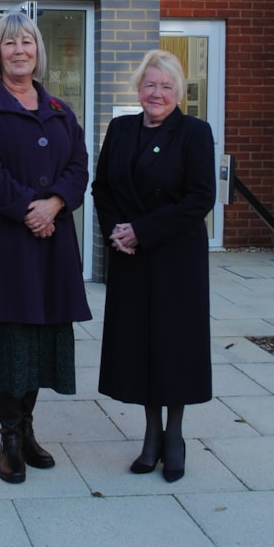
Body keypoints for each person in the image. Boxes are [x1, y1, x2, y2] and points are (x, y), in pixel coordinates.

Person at [0, 11, 91, 484]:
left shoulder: (59, 108)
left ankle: (29, 428)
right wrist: (30, 210)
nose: (20, 50)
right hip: (4, 246)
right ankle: (9, 436)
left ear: (38, 51)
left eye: (28, 42)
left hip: (51, 243)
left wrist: (54, 205)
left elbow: (79, 165)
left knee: (39, 340)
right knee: (8, 341)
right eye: (10, 43)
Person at [92, 48, 216, 483]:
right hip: (130, 258)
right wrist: (116, 231)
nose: (157, 93)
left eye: (166, 86)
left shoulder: (195, 132)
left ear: (178, 91)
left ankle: (175, 436)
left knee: (173, 346)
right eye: (149, 85)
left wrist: (141, 230)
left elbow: (200, 198)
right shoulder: (122, 129)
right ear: (138, 89)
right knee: (140, 345)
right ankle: (150, 433)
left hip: (174, 258)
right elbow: (102, 186)